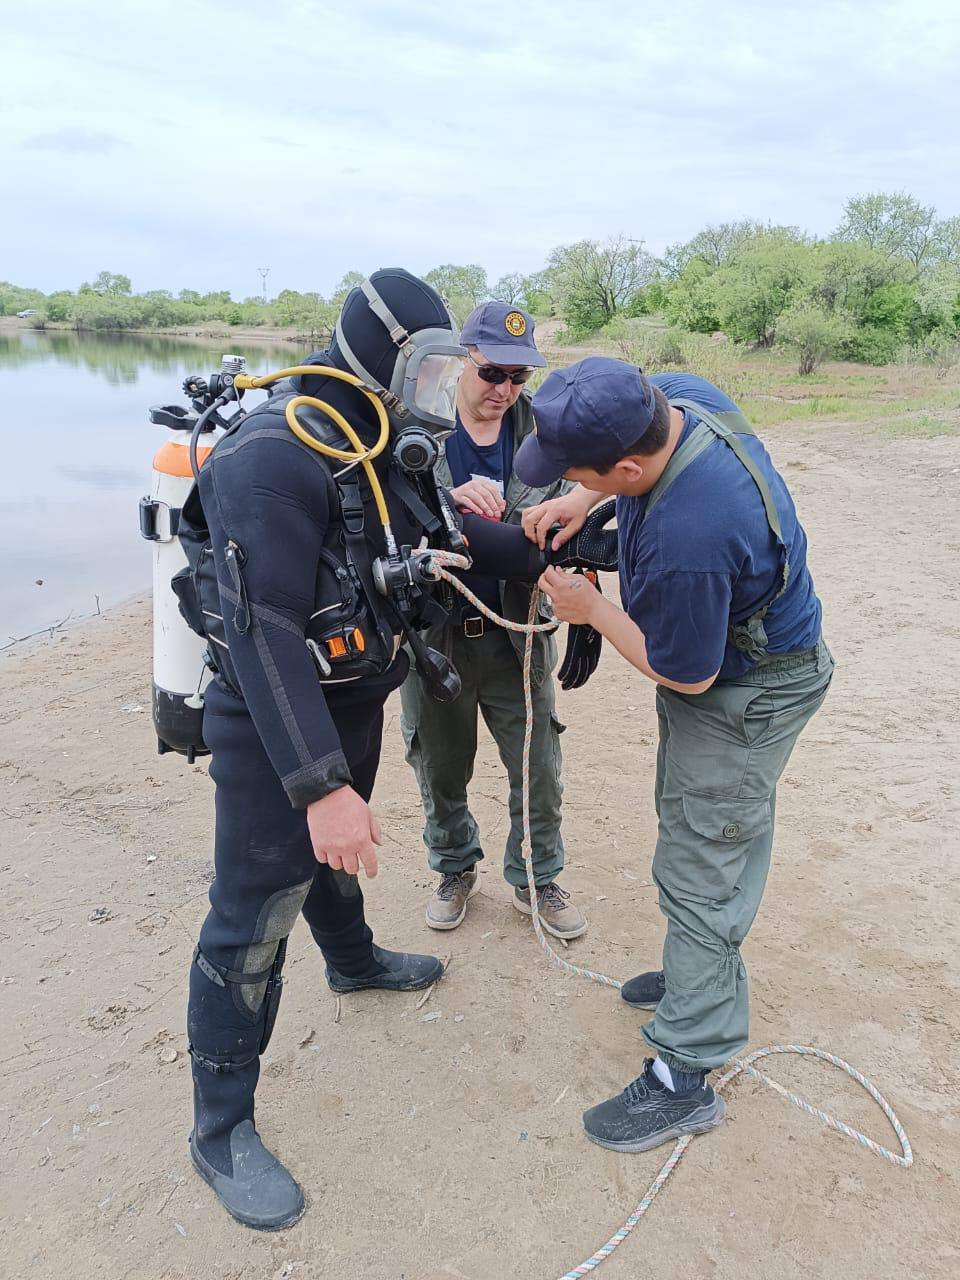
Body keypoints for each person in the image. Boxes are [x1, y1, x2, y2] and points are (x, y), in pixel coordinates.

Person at [180, 271, 614, 1229]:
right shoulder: (273, 458)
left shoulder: (381, 448)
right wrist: (320, 784)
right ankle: (221, 1129)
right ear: (376, 353)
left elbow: (456, 540)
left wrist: (565, 556)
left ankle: (354, 960)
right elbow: (265, 638)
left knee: (340, 859)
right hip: (272, 731)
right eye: (429, 364)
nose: (443, 383)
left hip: (357, 699)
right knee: (252, 918)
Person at [517, 357, 834, 1155]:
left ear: (630, 464)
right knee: (698, 830)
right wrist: (577, 497)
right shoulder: (678, 400)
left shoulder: (692, 533)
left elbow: (684, 671)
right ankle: (699, 983)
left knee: (702, 860)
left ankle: (684, 1073)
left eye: (582, 471)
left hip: (745, 690)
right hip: (750, 660)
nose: (571, 482)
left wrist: (588, 607)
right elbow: (655, 398)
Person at [400, 302, 587, 940]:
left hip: (518, 636)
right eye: (491, 375)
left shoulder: (548, 437)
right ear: (460, 364)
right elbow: (375, 518)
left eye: (518, 378)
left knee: (538, 762)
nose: (504, 390)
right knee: (440, 765)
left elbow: (580, 516)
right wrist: (441, 499)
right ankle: (454, 867)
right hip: (436, 637)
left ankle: (537, 875)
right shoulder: (411, 428)